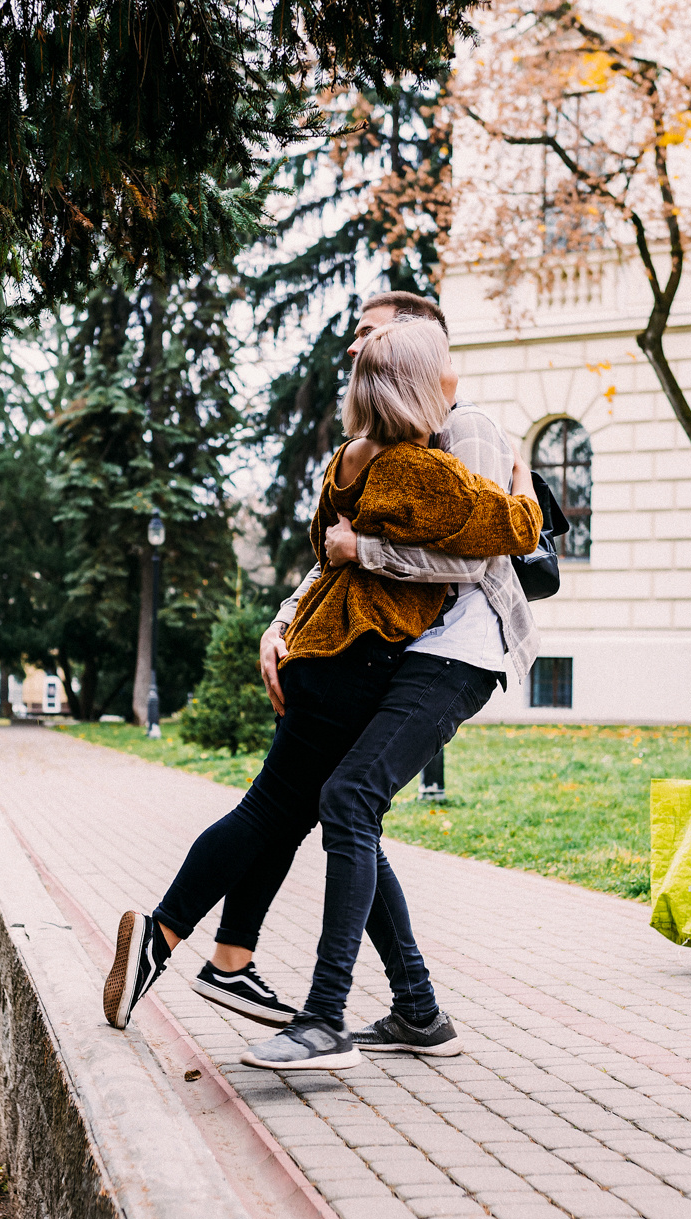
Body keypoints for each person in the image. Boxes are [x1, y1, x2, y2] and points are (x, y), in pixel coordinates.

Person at [104, 313, 540, 1070]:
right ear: (420, 382)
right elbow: (504, 530)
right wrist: (525, 495)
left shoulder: (352, 458)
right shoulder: (416, 466)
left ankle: (367, 996)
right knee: (315, 807)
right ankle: (227, 963)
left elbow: (343, 552)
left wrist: (335, 571)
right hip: (361, 654)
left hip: (342, 649)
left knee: (315, 807)